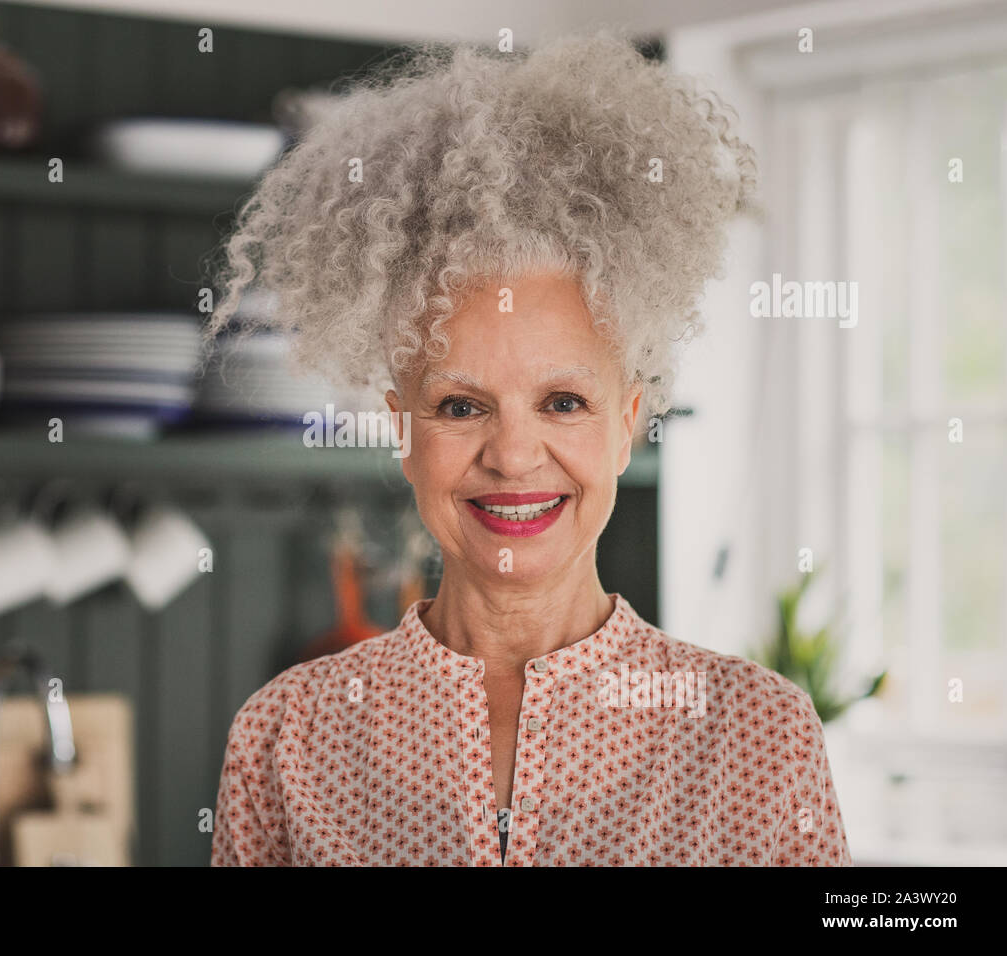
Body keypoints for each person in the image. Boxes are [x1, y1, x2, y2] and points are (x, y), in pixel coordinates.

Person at [204, 30, 849, 866]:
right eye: (463, 405)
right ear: (401, 428)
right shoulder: (287, 735)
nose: (514, 456)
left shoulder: (755, 734)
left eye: (564, 402)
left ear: (629, 424)